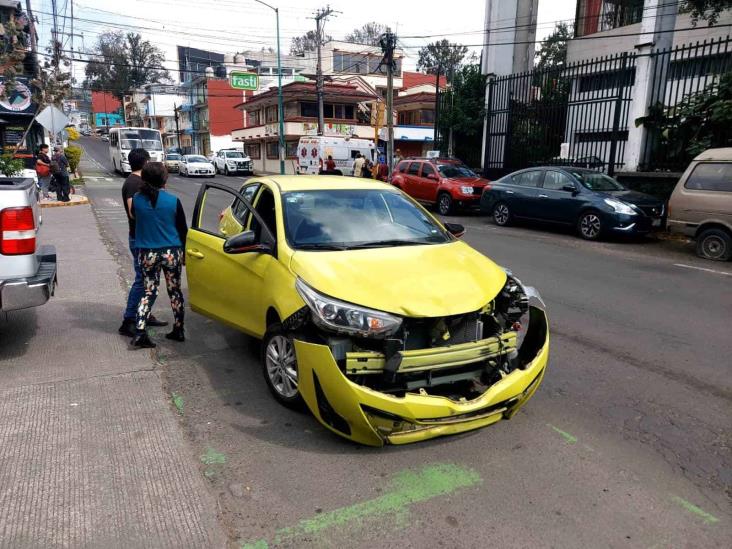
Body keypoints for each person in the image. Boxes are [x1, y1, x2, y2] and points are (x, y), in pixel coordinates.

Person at [130, 162, 188, 349]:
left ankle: (139, 332)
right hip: (172, 252)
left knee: (149, 291)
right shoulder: (173, 201)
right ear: (164, 179)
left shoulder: (137, 200)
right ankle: (178, 329)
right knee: (175, 291)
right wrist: (185, 254)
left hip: (147, 253)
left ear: (144, 178)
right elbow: (183, 229)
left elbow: (135, 217)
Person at [118, 148, 168, 337]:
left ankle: (144, 314)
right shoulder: (134, 183)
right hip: (140, 238)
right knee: (142, 280)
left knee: (149, 281)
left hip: (145, 237)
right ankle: (129, 320)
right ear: (145, 162)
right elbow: (133, 212)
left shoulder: (139, 182)